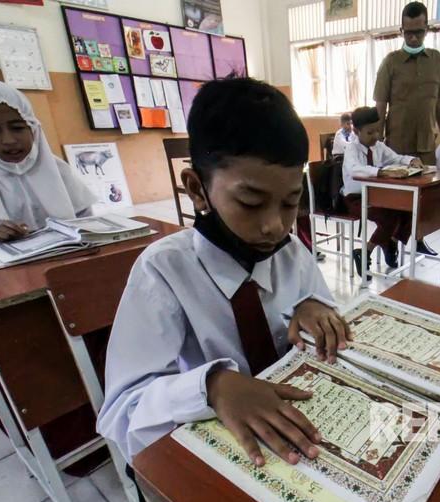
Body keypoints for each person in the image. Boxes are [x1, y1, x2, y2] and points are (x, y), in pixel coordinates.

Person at [97, 78, 352, 465]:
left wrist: (315, 306)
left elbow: (321, 316)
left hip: (299, 434)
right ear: (197, 190)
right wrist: (213, 386)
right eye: (251, 202)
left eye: (290, 203)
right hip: (227, 451)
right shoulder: (162, 271)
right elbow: (122, 409)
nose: (274, 226)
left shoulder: (291, 252)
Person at [0, 78, 96, 252]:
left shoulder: (61, 174)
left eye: (17, 127)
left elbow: (91, 233)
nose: (8, 140)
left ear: (32, 126)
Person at [341, 106, 433, 278]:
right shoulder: (351, 149)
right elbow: (354, 170)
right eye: (370, 132)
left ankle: (390, 241)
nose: (375, 136)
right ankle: (365, 251)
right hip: (356, 198)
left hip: (379, 196)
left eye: (377, 130)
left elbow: (396, 158)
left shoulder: (379, 147)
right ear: (356, 131)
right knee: (389, 217)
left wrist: (411, 160)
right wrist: (381, 172)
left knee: (409, 211)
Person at [374, 2, 440, 176]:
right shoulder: (390, 62)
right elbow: (380, 106)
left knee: (425, 196)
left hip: (427, 147)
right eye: (408, 33)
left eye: (419, 32)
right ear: (401, 31)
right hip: (397, 148)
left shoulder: (436, 60)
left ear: (427, 29)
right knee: (398, 198)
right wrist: (377, 145)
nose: (414, 38)